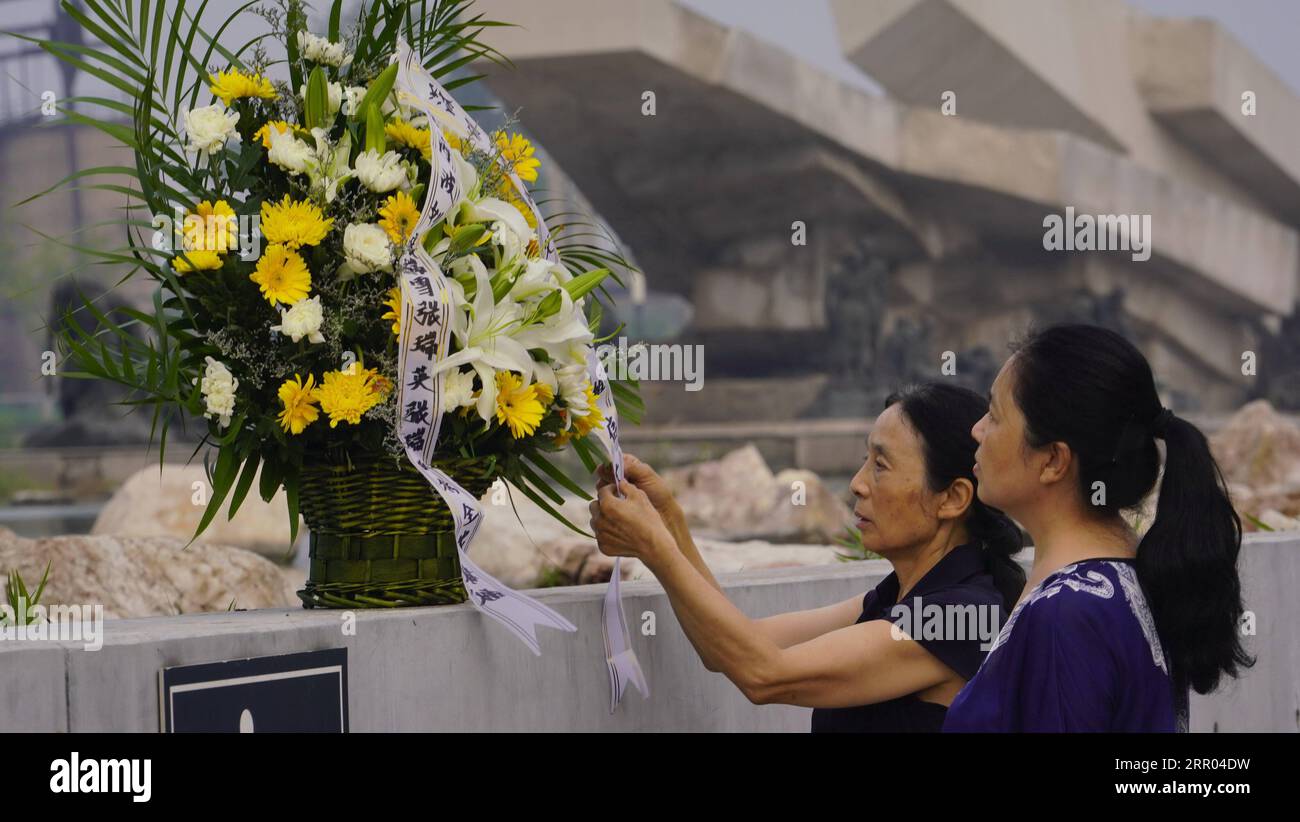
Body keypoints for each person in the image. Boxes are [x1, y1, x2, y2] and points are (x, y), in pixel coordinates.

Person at [590, 383, 1025, 731]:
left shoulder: (960, 616)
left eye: (881, 466)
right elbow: (736, 644)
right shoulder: (898, 598)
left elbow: (763, 674)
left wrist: (654, 547)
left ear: (952, 498)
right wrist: (670, 523)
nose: (857, 484)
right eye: (864, 461)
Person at [943, 324, 1253, 732]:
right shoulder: (1137, 573)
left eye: (995, 415)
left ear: (1053, 460)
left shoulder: (1065, 614)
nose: (976, 430)